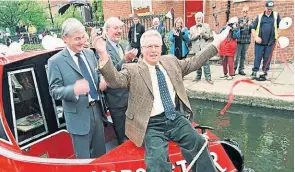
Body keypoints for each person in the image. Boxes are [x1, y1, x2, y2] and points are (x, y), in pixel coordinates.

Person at [92, 24, 232, 171]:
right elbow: (114, 80)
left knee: (198, 143)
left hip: (175, 117)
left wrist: (216, 43)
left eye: (157, 46)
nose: (153, 50)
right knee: (157, 161)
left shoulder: (171, 61)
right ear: (142, 48)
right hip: (151, 124)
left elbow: (195, 61)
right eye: (149, 46)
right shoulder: (132, 70)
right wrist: (103, 54)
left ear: (161, 47)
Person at [47, 18, 106, 158]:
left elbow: (95, 74)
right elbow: (54, 91)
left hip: (97, 111)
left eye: (83, 37)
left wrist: (101, 79)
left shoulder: (90, 53)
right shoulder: (55, 61)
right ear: (65, 38)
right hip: (77, 117)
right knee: (83, 161)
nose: (81, 41)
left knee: (101, 156)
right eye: (77, 38)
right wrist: (73, 90)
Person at [103, 17, 138, 145]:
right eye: (115, 28)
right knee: (123, 137)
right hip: (117, 101)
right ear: (107, 31)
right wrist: (125, 60)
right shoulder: (102, 50)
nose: (119, 31)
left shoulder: (125, 45)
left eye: (120, 28)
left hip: (133, 98)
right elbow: (109, 74)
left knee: (136, 133)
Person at [251, 0, 281, 77]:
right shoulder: (260, 16)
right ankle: (255, 71)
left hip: (270, 42)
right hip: (259, 42)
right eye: (268, 9)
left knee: (267, 58)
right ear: (265, 8)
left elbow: (279, 27)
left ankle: (264, 71)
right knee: (257, 57)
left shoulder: (276, 15)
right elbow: (253, 28)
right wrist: (256, 37)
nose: (269, 10)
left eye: (271, 9)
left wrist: (277, 37)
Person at [189, 12, 213, 84]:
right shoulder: (192, 28)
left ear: (201, 18)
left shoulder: (206, 26)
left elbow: (209, 36)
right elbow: (191, 38)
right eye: (197, 18)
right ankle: (198, 77)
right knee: (197, 62)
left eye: (199, 18)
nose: (198, 19)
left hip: (204, 47)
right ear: (195, 19)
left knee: (206, 62)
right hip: (196, 48)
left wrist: (204, 34)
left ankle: (208, 78)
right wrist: (197, 35)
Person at [234, 6, 252, 76]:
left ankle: (241, 69)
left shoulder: (251, 20)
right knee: (237, 56)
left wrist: (247, 25)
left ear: (248, 12)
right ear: (242, 12)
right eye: (244, 11)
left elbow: (251, 29)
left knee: (243, 56)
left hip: (247, 40)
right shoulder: (239, 20)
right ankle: (234, 69)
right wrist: (244, 26)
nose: (245, 12)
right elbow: (237, 28)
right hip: (239, 40)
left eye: (246, 11)